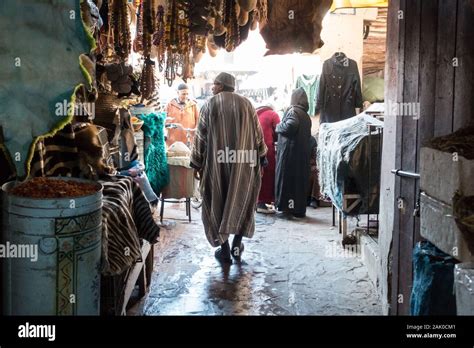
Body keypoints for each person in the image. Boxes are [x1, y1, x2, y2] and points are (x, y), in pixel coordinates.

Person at [190, 72, 267, 264]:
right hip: (245, 164)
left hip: (216, 164)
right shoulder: (247, 104)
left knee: (216, 201)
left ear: (223, 85)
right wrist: (262, 156)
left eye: (215, 84)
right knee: (242, 201)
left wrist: (196, 162)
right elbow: (258, 135)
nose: (213, 87)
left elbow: (201, 136)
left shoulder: (210, 104)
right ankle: (236, 245)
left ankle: (224, 250)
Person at [275, 87, 312, 219]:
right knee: (299, 183)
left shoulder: (293, 111)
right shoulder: (305, 115)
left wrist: (278, 127)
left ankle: (288, 209)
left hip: (289, 155)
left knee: (288, 182)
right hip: (301, 155)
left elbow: (290, 126)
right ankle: (298, 209)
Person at [256, 104, 280, 214]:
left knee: (256, 174)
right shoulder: (273, 114)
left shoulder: (254, 114)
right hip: (266, 148)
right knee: (267, 175)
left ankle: (256, 202)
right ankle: (262, 203)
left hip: (251, 148)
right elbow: (279, 131)